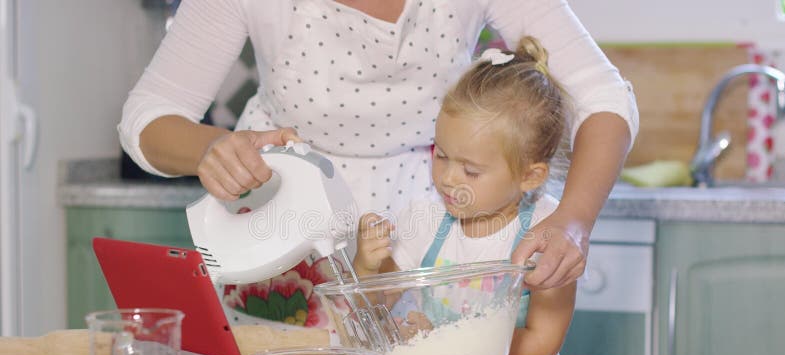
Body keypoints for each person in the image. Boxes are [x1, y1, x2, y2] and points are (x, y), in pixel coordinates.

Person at [118, 0, 637, 326]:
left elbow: (604, 97)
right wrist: (211, 148)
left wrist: (573, 220)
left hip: (426, 243)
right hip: (279, 241)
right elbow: (148, 114)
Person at [353, 36, 575, 355]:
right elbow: (373, 311)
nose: (448, 178)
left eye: (470, 171)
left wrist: (444, 344)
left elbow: (543, 342)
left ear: (530, 176)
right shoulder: (425, 221)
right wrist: (366, 267)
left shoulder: (547, 231)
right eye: (440, 155)